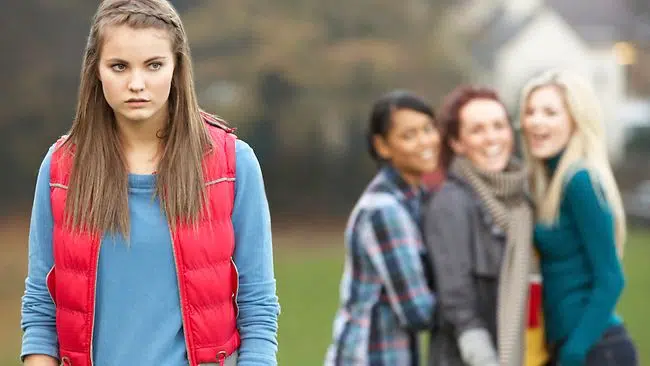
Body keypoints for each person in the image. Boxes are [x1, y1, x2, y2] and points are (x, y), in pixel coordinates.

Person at [20, 1, 279, 365]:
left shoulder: (233, 164)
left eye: (154, 65)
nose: (136, 84)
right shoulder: (62, 169)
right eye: (119, 66)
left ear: (177, 67)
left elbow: (258, 305)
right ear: (96, 70)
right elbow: (41, 306)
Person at [519, 69, 638, 366]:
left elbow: (611, 278)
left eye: (550, 112)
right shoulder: (548, 181)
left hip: (595, 349)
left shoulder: (579, 180)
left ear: (576, 121)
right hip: (569, 345)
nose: (536, 121)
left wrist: (574, 351)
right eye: (530, 111)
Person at [423, 85, 548, 366]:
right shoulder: (450, 202)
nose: (492, 138)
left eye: (498, 126)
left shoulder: (525, 199)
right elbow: (456, 301)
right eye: (477, 130)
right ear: (456, 142)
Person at [324, 90, 440, 365]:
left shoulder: (417, 198)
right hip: (368, 357)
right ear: (382, 146)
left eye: (428, 129)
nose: (425, 141)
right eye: (409, 135)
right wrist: (471, 305)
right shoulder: (384, 209)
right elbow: (417, 311)